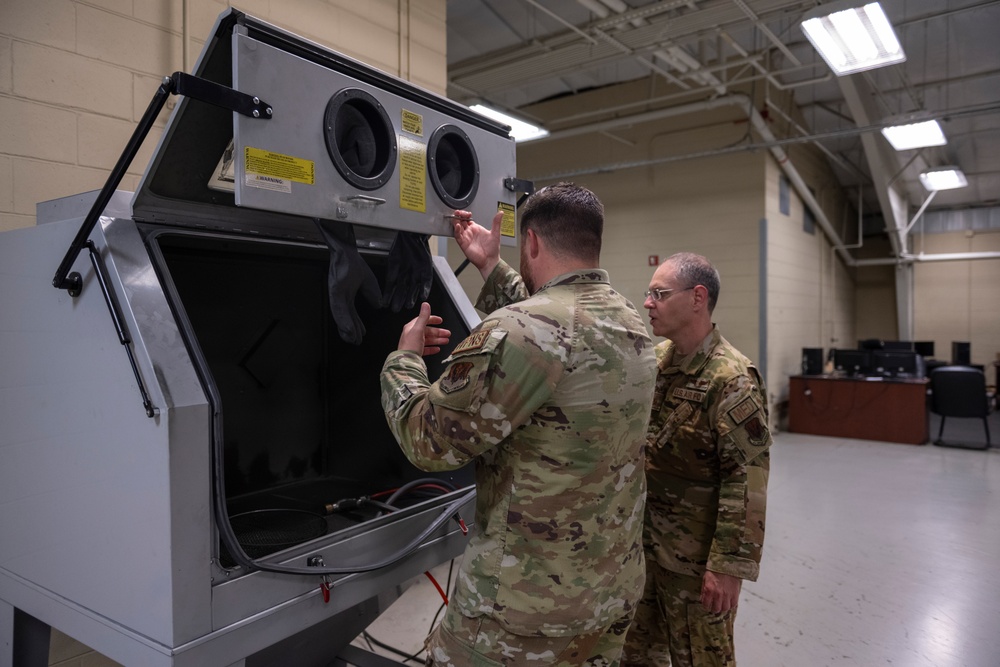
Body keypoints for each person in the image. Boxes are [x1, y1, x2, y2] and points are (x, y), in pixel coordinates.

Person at [379, 183, 657, 666]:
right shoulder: (627, 318)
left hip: (525, 612)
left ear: (530, 241)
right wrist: (489, 265)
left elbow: (426, 441)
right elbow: (555, 322)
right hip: (609, 591)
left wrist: (403, 360)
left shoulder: (521, 329)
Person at [622, 253, 771, 667]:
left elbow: (747, 482)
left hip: (696, 564)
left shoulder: (732, 379)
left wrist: (727, 567)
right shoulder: (658, 363)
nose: (648, 302)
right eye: (649, 293)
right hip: (646, 551)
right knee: (634, 656)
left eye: (659, 293)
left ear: (697, 298)